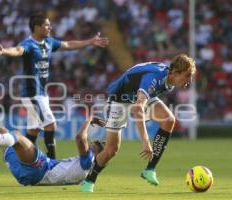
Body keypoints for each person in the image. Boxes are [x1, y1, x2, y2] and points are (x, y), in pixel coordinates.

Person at [0, 12, 109, 159]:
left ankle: (23, 160)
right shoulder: (28, 45)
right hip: (32, 93)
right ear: (36, 27)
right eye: (46, 25)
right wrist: (4, 51)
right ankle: (52, 162)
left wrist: (90, 42)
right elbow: (17, 50)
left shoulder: (49, 42)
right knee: (51, 125)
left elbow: (68, 44)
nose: (50, 27)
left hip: (41, 93)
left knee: (34, 130)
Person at [81, 54, 196, 192]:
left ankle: (150, 169)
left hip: (138, 97)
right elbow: (137, 108)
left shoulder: (169, 80)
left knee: (168, 120)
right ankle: (89, 181)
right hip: (120, 99)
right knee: (111, 150)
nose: (189, 80)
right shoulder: (155, 78)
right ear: (176, 72)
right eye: (187, 75)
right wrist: (146, 141)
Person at [0, 88, 106, 186]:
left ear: (99, 154)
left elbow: (80, 138)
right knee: (3, 131)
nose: (94, 143)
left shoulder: (89, 162)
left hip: (40, 170)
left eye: (97, 144)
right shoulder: (84, 169)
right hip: (26, 175)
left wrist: (89, 119)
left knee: (16, 136)